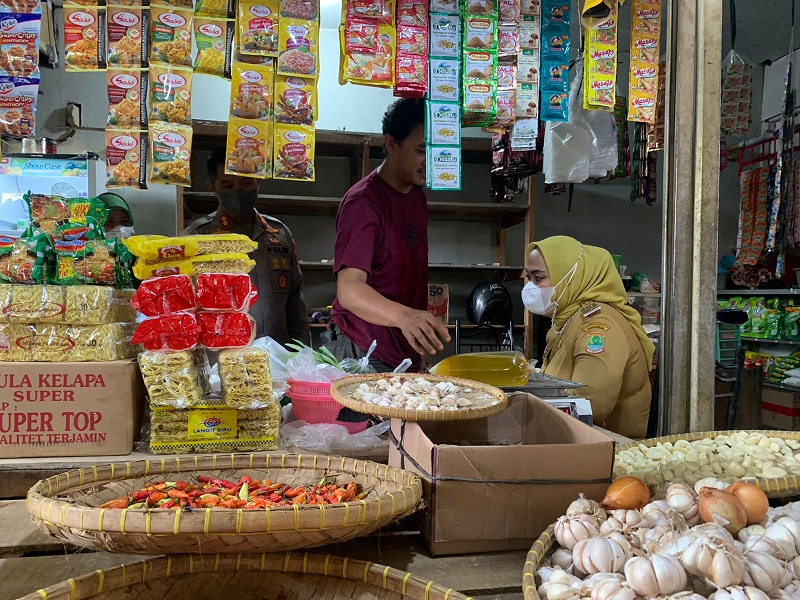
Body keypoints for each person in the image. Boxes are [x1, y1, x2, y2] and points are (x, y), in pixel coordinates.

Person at [325, 98, 450, 372]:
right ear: (392, 144)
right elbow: (349, 290)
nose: (431, 160)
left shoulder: (416, 195)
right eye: (421, 150)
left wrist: (418, 333)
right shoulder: (363, 203)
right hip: (362, 349)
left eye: (437, 150)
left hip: (400, 348)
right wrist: (406, 317)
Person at [522, 236, 655, 439]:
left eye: (538, 278)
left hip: (611, 447)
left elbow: (591, 403)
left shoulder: (598, 327)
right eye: (528, 278)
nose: (530, 287)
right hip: (575, 436)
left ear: (570, 276)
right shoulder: (566, 321)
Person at [183, 147, 310, 346]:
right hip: (222, 361)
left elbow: (296, 304)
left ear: (258, 181)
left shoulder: (279, 233)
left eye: (246, 183)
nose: (238, 191)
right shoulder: (196, 238)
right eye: (227, 185)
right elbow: (184, 308)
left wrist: (303, 353)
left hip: (278, 358)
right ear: (212, 186)